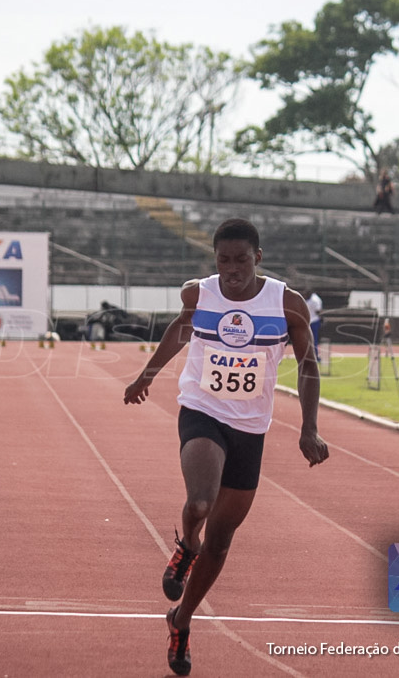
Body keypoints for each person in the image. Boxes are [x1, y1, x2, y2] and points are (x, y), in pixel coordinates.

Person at [123, 218, 328, 675]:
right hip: (202, 410)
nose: (232, 269)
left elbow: (308, 365)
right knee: (199, 501)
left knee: (220, 542)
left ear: (258, 257)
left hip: (251, 428)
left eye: (240, 259)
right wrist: (147, 376)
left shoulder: (287, 304)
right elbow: (180, 330)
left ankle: (181, 620)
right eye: (223, 260)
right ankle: (185, 545)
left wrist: (308, 428)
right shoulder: (199, 294)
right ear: (214, 260)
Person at [305, 289, 323, 361]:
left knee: (314, 340)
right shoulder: (310, 299)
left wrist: (321, 318)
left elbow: (318, 311)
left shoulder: (315, 300)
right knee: (310, 340)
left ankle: (315, 356)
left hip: (314, 321)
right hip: (310, 321)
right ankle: (310, 356)